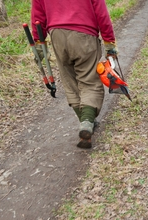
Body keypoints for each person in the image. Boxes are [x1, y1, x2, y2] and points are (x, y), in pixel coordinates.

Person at [31, 0, 117, 148]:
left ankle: (86, 122)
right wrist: (109, 41)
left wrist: (38, 42)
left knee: (70, 82)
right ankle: (87, 122)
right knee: (89, 80)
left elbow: (38, 15)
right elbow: (101, 12)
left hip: (57, 35)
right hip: (84, 34)